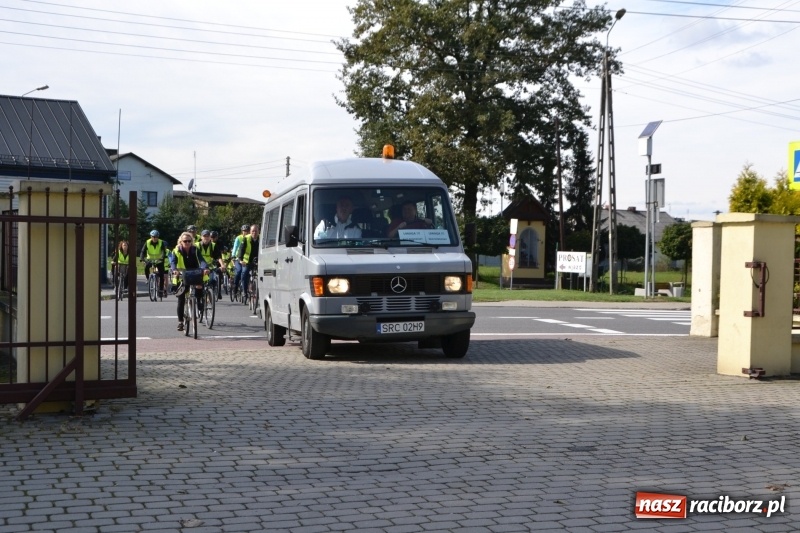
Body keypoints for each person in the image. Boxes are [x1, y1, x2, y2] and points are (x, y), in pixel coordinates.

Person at [169, 231, 209, 331]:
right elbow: (173, 262)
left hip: (194, 272)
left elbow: (202, 260)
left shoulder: (195, 249)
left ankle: (200, 303)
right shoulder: (176, 250)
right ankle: (180, 322)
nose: (187, 243)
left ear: (192, 241)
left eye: (189, 241)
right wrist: (174, 270)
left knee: (199, 286)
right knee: (181, 298)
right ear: (181, 242)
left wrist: (205, 268)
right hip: (182, 274)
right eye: (185, 241)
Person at [140, 230, 168, 296]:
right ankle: (147, 279)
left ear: (158, 237)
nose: (154, 238)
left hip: (159, 260)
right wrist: (142, 259)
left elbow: (164, 252)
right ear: (151, 237)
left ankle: (161, 290)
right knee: (146, 267)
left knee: (161, 275)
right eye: (153, 237)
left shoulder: (161, 242)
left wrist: (162, 258)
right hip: (150, 259)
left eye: (156, 237)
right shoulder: (147, 242)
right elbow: (142, 251)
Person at [237, 224, 260, 300]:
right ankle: (244, 291)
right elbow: (241, 250)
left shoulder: (261, 238)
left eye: (256, 231)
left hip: (257, 261)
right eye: (253, 231)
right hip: (246, 261)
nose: (254, 233)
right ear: (250, 232)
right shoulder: (246, 238)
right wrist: (240, 260)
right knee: (244, 273)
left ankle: (257, 290)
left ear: (258, 231)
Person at [198, 229, 222, 299]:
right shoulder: (197, 245)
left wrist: (222, 265)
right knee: (199, 283)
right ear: (201, 237)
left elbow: (218, 257)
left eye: (208, 236)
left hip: (210, 267)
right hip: (199, 267)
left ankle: (210, 293)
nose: (206, 238)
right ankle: (200, 296)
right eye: (204, 236)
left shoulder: (213, 245)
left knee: (212, 280)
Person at [231, 224, 249, 297]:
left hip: (246, 258)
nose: (246, 232)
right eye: (244, 231)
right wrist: (233, 255)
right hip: (238, 258)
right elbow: (235, 247)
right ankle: (235, 287)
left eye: (247, 231)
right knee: (238, 271)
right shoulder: (238, 238)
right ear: (242, 231)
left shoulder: (249, 238)